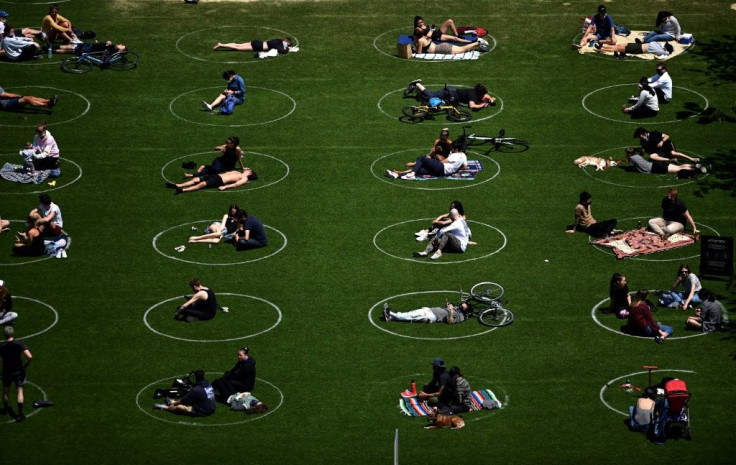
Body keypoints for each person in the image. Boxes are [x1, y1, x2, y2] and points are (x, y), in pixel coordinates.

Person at [388, 139, 467, 180]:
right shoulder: (463, 156)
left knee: (422, 159)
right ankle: (397, 175)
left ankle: (412, 174)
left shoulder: (454, 155)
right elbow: (465, 167)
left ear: (456, 149)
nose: (451, 150)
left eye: (452, 148)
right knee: (419, 170)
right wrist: (457, 167)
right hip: (442, 173)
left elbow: (442, 162)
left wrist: (434, 159)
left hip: (441, 167)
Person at [0, 326, 33, 422]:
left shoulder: (1, 346)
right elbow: (30, 356)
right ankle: (19, 415)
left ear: (5, 335)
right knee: (19, 391)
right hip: (18, 371)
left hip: (6, 371)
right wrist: (26, 364)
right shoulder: (19, 344)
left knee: (6, 390)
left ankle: (6, 410)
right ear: (13, 333)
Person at [404, 79, 496, 110]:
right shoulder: (473, 96)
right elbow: (472, 106)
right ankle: (417, 84)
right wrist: (483, 105)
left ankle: (418, 92)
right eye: (482, 95)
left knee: (433, 98)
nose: (484, 96)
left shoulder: (477, 93)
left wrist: (490, 100)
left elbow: (486, 95)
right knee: (431, 95)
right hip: (449, 94)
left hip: (452, 93)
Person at [633, 127, 699, 164]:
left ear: (643, 133)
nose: (639, 137)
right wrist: (643, 151)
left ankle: (692, 159)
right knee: (652, 156)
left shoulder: (654, 133)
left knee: (673, 153)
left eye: (639, 136)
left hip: (666, 145)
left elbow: (667, 136)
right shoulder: (642, 142)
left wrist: (662, 141)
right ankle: (670, 160)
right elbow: (647, 150)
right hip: (659, 151)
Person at [167, 168, 258, 194]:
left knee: (202, 184)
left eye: (248, 170)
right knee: (196, 179)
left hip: (219, 180)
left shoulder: (244, 178)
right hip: (216, 176)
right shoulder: (237, 172)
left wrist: (225, 187)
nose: (246, 169)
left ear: (249, 173)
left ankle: (183, 190)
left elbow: (236, 184)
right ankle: (179, 185)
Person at [382, 299, 473, 324]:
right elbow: (445, 310)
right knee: (410, 314)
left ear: (467, 309)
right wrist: (447, 305)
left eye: (465, 304)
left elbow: (450, 322)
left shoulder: (461, 317)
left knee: (409, 315)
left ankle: (390, 313)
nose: (462, 304)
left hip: (431, 316)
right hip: (429, 310)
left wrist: (451, 311)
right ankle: (389, 317)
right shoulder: (458, 308)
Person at [623, 148, 700, 176]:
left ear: (629, 154)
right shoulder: (637, 156)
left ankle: (696, 169)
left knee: (678, 169)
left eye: (626, 153)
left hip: (654, 168)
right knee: (678, 167)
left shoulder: (632, 158)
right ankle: (693, 166)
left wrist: (627, 159)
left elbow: (632, 167)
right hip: (654, 164)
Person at [413, 31, 482, 55]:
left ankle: (477, 42)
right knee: (461, 49)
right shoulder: (424, 37)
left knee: (462, 49)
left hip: (442, 49)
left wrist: (415, 44)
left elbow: (419, 52)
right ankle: (477, 46)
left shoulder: (420, 41)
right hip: (442, 46)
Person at [597, 41, 674, 59]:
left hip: (637, 49)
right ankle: (603, 46)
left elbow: (665, 53)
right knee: (619, 45)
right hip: (637, 45)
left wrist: (667, 52)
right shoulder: (658, 45)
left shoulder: (658, 50)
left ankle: (602, 47)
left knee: (616, 48)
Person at [213, 37, 293, 53]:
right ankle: (221, 45)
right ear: (286, 42)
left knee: (238, 44)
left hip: (257, 42)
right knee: (238, 48)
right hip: (258, 46)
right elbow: (283, 51)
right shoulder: (279, 44)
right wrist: (288, 49)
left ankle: (222, 44)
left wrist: (286, 46)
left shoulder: (277, 40)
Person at [55, 40, 127, 56]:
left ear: (120, 50)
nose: (120, 44)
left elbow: (105, 53)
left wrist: (107, 46)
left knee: (70, 48)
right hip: (90, 46)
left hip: (89, 49)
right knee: (71, 47)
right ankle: (52, 49)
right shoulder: (113, 47)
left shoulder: (112, 51)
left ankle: (52, 49)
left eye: (121, 46)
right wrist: (107, 42)